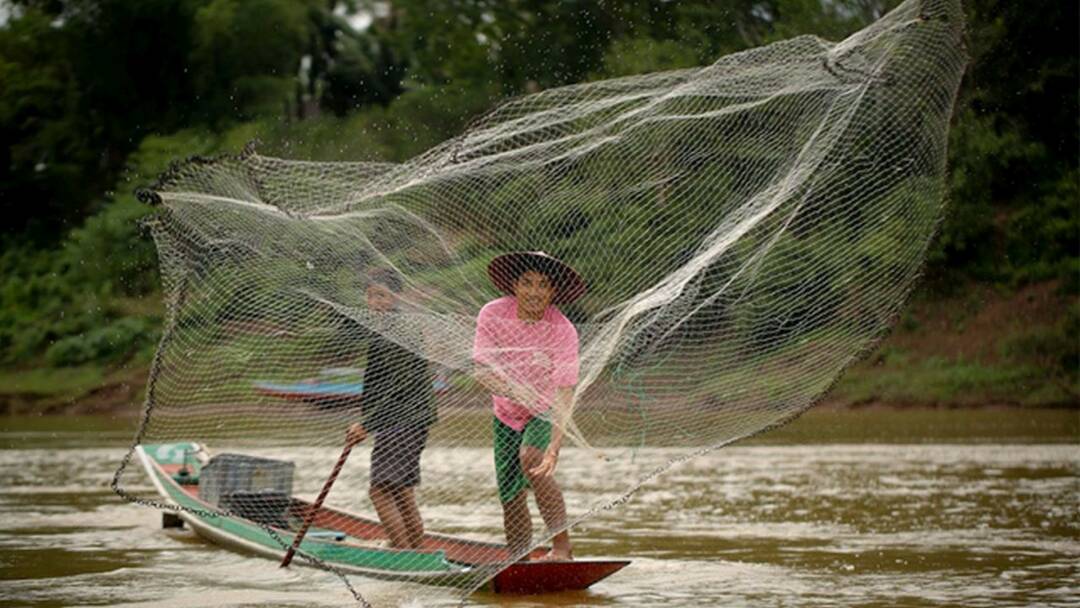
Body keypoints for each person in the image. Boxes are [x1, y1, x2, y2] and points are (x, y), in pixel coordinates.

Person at [472, 251, 586, 562]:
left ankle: (562, 548)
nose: (535, 292)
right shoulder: (493, 314)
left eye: (543, 285)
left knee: (533, 457)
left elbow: (564, 392)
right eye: (527, 283)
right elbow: (482, 371)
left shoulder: (563, 329)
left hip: (544, 409)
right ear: (515, 286)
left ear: (553, 292)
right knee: (510, 494)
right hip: (506, 414)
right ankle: (519, 559)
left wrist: (555, 447)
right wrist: (513, 391)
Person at [345, 268, 437, 550]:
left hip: (402, 420)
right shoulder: (388, 327)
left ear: (395, 297)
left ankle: (402, 552)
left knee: (380, 491)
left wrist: (366, 424)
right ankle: (416, 551)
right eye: (371, 296)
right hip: (409, 420)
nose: (376, 302)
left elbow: (400, 385)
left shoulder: (396, 331)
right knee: (401, 490)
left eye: (382, 296)